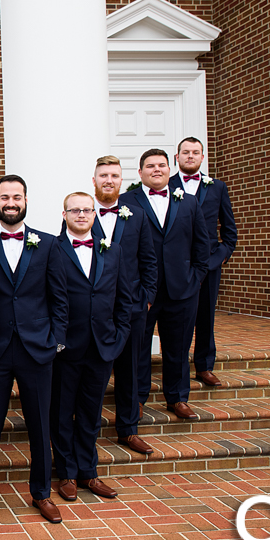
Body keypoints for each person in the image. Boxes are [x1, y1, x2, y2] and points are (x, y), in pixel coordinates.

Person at [0, 175, 68, 524]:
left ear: (26, 200)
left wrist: (56, 340)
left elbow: (60, 298)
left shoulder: (47, 245)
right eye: (4, 196)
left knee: (39, 424)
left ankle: (41, 492)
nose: (10, 202)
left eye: (16, 196)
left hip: (37, 349)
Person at [51, 192, 134, 502]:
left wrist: (119, 336)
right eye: (75, 210)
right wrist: (55, 343)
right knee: (61, 413)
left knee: (90, 412)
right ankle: (67, 473)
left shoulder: (113, 251)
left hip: (103, 347)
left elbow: (124, 299)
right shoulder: (53, 250)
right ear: (65, 215)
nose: (82, 215)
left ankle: (89, 472)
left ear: (94, 214)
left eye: (87, 210)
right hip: (66, 348)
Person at [118, 149, 209, 420]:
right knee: (138, 348)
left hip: (182, 290)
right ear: (140, 172)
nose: (156, 169)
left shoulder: (189, 202)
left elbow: (201, 245)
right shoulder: (126, 203)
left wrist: (195, 279)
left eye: (161, 165)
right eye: (150, 166)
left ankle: (178, 397)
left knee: (178, 347)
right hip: (142, 291)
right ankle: (138, 398)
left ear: (170, 169)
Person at [91, 156, 158, 456]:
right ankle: (87, 431)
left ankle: (128, 430)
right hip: (94, 312)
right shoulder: (81, 214)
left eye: (114, 175)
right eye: (103, 175)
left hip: (131, 308)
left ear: (122, 180)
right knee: (94, 372)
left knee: (131, 370)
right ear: (94, 180)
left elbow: (149, 261)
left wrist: (146, 297)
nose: (108, 180)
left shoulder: (138, 216)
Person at [171, 138, 237, 387]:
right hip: (176, 264)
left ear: (202, 157)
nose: (190, 156)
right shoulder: (166, 184)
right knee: (176, 317)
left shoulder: (217, 187)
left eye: (195, 152)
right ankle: (176, 366)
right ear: (176, 157)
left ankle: (204, 366)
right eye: (185, 152)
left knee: (206, 315)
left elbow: (229, 230)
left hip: (208, 264)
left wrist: (220, 257)